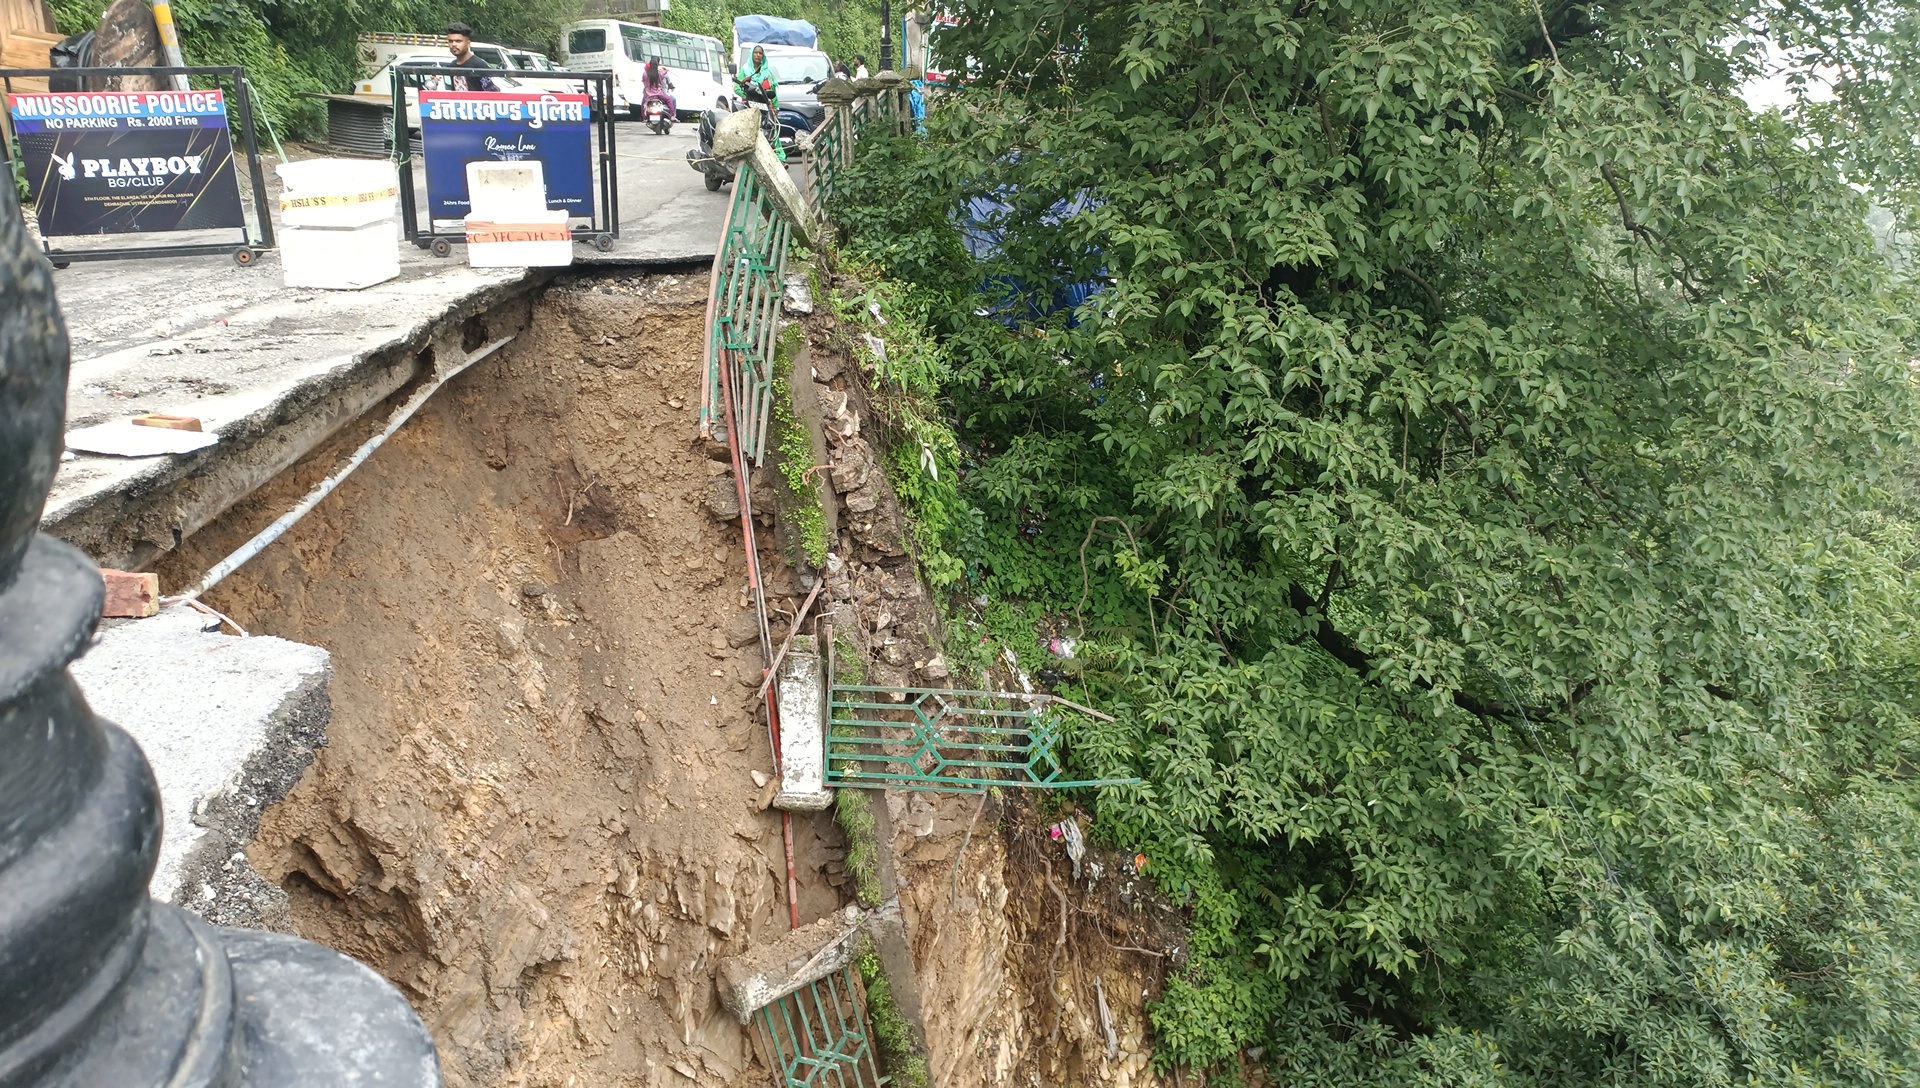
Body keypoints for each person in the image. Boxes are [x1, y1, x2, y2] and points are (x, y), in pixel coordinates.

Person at [733, 45, 785, 160]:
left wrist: (775, 108)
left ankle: (779, 158)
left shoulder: (768, 73)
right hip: (749, 107)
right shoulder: (745, 70)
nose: (758, 55)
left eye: (760, 53)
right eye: (755, 53)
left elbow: (773, 90)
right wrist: (749, 97)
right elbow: (737, 88)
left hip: (766, 107)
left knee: (772, 130)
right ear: (752, 54)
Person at [445, 23, 496, 92]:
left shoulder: (478, 65)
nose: (454, 44)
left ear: (468, 44)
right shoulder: (452, 66)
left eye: (458, 41)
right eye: (450, 41)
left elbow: (491, 93)